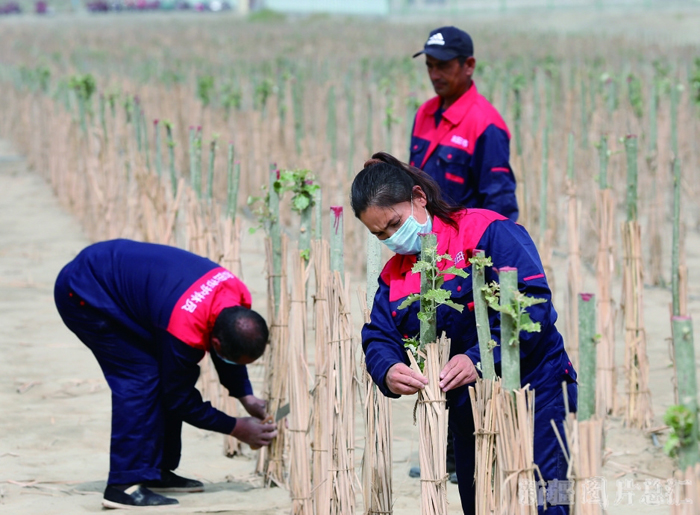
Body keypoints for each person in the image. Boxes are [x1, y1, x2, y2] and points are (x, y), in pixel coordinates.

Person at [351, 153, 576, 515]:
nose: (391, 239)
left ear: (419, 198)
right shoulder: (396, 273)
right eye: (379, 234)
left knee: (548, 501)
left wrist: (480, 359)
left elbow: (533, 306)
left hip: (536, 391)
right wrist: (388, 370)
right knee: (481, 504)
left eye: (394, 224)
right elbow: (378, 334)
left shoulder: (487, 231)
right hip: (466, 410)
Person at [54, 239, 278, 509]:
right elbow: (178, 398)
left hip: (119, 278)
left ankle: (155, 471)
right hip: (85, 292)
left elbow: (226, 347)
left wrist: (246, 397)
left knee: (162, 375)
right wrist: (235, 427)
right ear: (215, 345)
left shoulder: (235, 296)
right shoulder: (184, 327)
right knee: (141, 379)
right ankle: (123, 486)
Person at [410, 26, 518, 222]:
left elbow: (500, 206)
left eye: (442, 66)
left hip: (464, 248)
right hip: (424, 244)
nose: (434, 75)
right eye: (430, 66)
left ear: (468, 65)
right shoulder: (423, 114)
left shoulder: (486, 125)